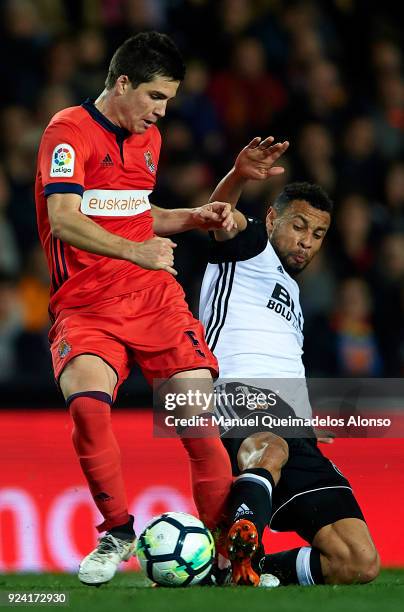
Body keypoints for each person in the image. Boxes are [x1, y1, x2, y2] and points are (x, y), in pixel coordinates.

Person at [35, 31, 236, 586]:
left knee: (195, 419)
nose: (161, 112)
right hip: (86, 304)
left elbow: (135, 216)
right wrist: (138, 251)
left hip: (153, 299)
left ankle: (227, 559)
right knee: (86, 403)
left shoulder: (149, 141)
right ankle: (119, 529)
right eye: (154, 97)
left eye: (167, 100)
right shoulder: (67, 131)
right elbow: (65, 219)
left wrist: (194, 217)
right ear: (122, 83)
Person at [199, 137, 380, 586]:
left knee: (358, 562)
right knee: (271, 446)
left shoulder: (295, 296)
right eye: (299, 226)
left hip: (293, 423)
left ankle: (243, 570)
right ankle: (237, 544)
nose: (307, 242)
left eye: (318, 235)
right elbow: (220, 213)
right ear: (273, 217)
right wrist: (240, 174)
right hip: (235, 400)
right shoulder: (249, 249)